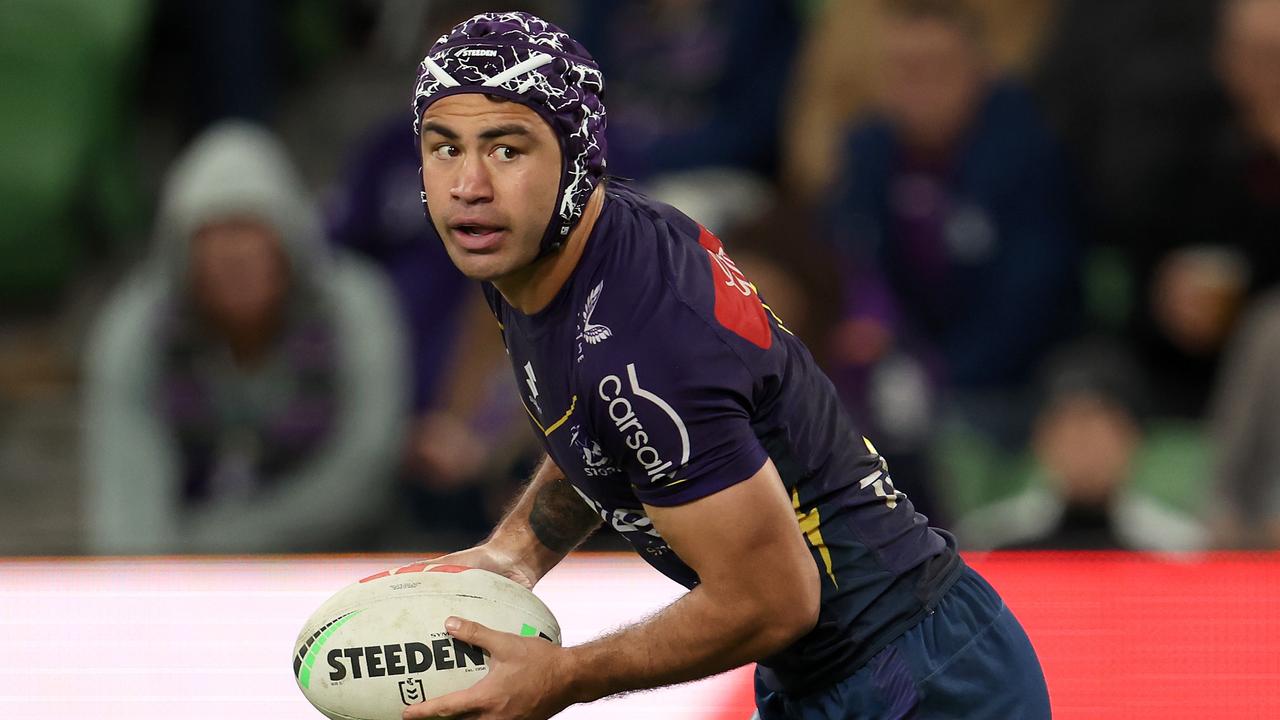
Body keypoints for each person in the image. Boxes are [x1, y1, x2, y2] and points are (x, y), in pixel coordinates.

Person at [402, 12, 1049, 720]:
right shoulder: (554, 254)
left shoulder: (641, 338)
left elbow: (773, 600)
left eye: (506, 150)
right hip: (838, 670)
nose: (468, 184)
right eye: (444, 148)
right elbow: (608, 425)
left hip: (917, 681)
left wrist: (562, 677)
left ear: (577, 154)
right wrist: (515, 553)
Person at [83, 121, 408, 554]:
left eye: (250, 231)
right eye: (212, 237)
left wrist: (219, 546)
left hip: (339, 560)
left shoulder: (353, 307)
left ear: (290, 243)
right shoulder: (139, 328)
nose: (234, 255)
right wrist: (147, 583)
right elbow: (126, 489)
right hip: (179, 565)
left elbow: (364, 469)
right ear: (181, 255)